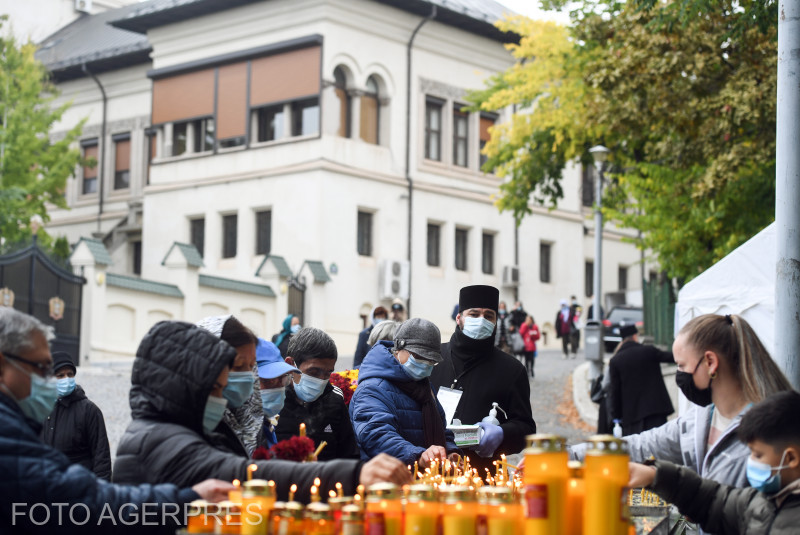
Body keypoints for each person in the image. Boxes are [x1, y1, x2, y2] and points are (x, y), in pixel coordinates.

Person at [113, 320, 410, 503]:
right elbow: (242, 474)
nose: (247, 381)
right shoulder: (159, 438)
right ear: (190, 381)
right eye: (219, 385)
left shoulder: (216, 427)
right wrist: (355, 475)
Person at [0, 307, 233, 533]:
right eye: (41, 368)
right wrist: (188, 500)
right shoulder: (8, 432)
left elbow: (97, 466)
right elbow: (80, 498)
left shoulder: (80, 411)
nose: (50, 381)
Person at [570, 314, 793, 503]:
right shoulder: (701, 419)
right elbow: (643, 444)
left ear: (710, 362)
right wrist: (570, 454)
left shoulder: (770, 432)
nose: (680, 374)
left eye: (682, 365)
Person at [628, 390, 800, 535]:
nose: (750, 461)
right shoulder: (763, 503)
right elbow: (712, 500)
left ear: (791, 458)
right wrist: (654, 475)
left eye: (758, 455)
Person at [429, 285, 537, 476]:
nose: (481, 321)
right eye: (474, 314)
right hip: (431, 470)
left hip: (483, 476)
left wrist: (502, 434)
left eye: (488, 316)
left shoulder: (512, 370)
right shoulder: (432, 359)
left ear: (496, 321)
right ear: (459, 318)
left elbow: (526, 428)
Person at [350, 318, 459, 467]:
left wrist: (450, 451)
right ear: (399, 348)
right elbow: (376, 434)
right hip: (388, 479)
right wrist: (419, 456)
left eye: (431, 361)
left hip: (424, 477)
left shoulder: (423, 385)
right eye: (419, 357)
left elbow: (441, 427)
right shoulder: (372, 388)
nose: (425, 364)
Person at [275, 327, 360, 460]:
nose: (321, 381)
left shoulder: (335, 402)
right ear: (291, 365)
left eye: (327, 373)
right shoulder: (274, 402)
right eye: (313, 372)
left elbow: (349, 455)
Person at [40, 351, 112, 480]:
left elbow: (102, 459)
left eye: (70, 374)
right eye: (60, 375)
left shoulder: (89, 411)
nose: (66, 379)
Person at [197, 315, 262, 456]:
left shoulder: (250, 420)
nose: (248, 376)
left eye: (251, 366)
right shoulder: (202, 419)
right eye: (238, 366)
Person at [606, 324, 675, 436]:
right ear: (635, 336)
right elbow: (671, 357)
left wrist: (616, 416)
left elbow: (615, 391)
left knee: (638, 450)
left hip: (631, 416)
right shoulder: (649, 351)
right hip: (656, 411)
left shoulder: (616, 361)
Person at [255, 337, 300, 448]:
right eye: (270, 381)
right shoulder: (243, 431)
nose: (279, 388)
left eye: (283, 379)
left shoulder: (265, 423)